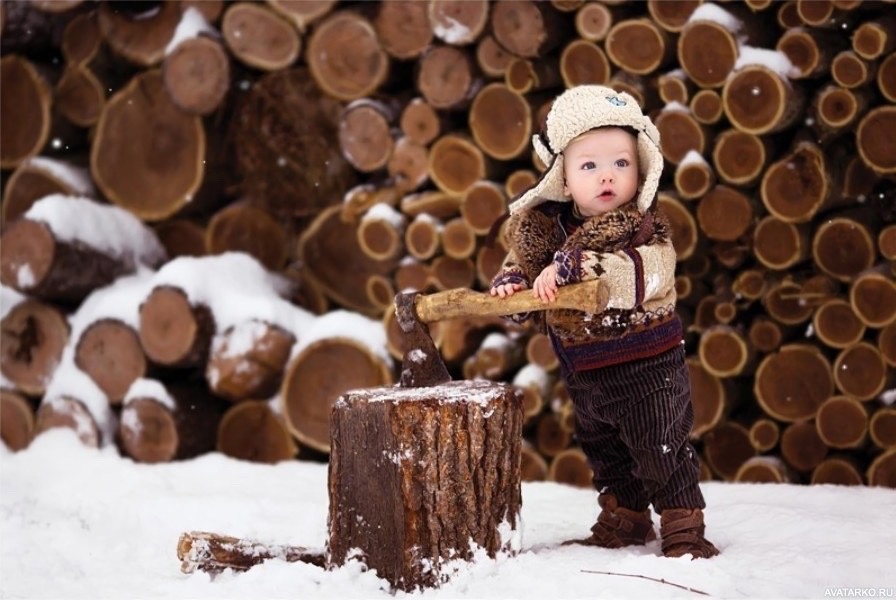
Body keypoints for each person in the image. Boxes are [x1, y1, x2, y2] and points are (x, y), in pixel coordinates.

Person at [489, 85, 719, 559]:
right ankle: (626, 516)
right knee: (606, 448)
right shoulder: (546, 230)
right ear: (564, 179)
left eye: (621, 163)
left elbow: (648, 275)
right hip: (584, 367)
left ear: (639, 170)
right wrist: (514, 285)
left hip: (647, 365)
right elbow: (524, 266)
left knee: (660, 446)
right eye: (588, 165)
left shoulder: (643, 229)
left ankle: (682, 525)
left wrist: (581, 267)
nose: (606, 176)